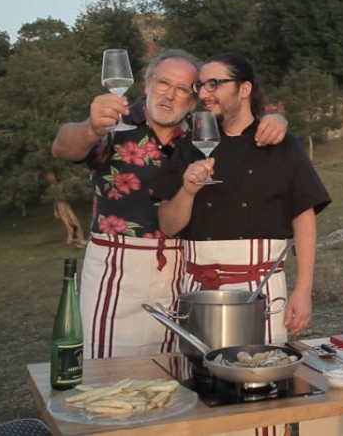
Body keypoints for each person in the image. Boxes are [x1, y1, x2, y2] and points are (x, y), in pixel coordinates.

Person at [50, 48, 287, 359]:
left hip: (182, 270)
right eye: (163, 83)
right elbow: (63, 147)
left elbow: (242, 119)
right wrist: (91, 127)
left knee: (177, 371)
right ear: (147, 84)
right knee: (109, 373)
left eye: (182, 89)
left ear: (193, 99)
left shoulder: (199, 132)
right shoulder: (112, 124)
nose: (169, 96)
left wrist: (277, 118)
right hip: (117, 270)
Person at [154, 52, 331, 344]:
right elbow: (168, 226)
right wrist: (187, 190)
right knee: (200, 372)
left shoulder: (280, 145)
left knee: (259, 372)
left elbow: (304, 218)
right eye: (201, 86)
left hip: (261, 288)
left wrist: (303, 290)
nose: (204, 94)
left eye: (214, 84)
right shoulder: (189, 146)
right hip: (199, 291)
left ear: (244, 89)